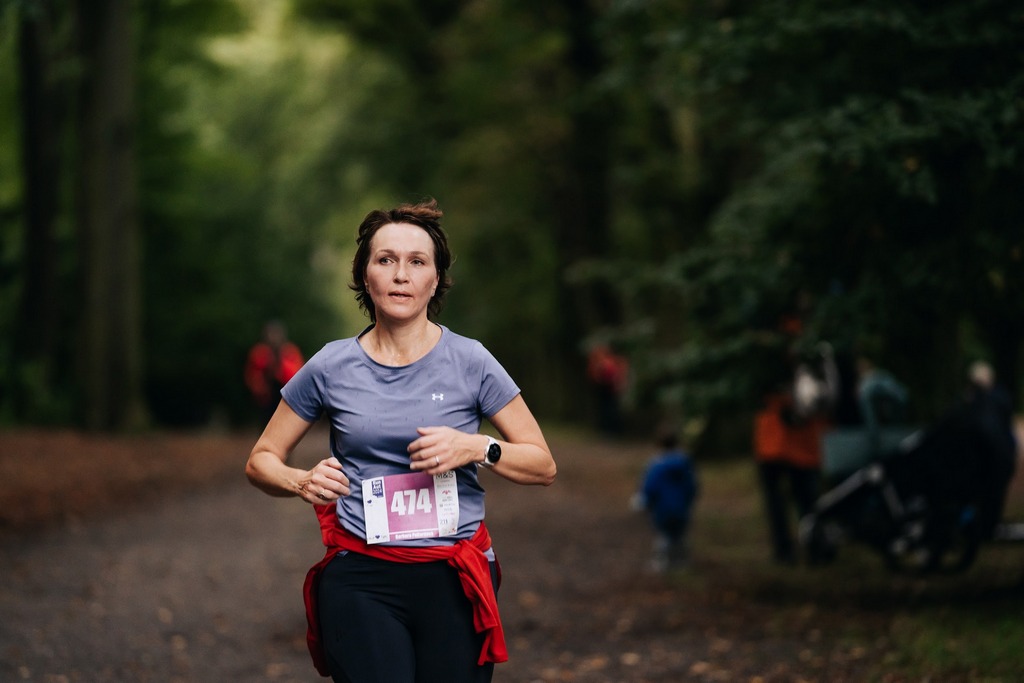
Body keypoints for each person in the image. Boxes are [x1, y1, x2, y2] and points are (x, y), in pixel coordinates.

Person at [245, 198, 556, 683]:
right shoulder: (330, 365)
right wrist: (300, 480)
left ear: (436, 279)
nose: (400, 275)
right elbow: (261, 459)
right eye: (386, 259)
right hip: (361, 574)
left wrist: (477, 447)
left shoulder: (471, 361)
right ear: (364, 275)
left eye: (417, 262)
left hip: (454, 574)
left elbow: (542, 464)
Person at [753, 344, 837, 565]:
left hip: (791, 441)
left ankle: (807, 548)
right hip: (778, 440)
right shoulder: (774, 345)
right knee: (799, 499)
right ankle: (796, 550)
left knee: (804, 499)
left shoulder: (811, 346)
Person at [633, 424, 699, 573]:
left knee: (664, 536)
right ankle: (681, 562)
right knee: (680, 535)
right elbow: (692, 487)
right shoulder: (686, 463)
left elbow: (649, 487)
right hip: (682, 508)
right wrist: (688, 501)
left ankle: (662, 563)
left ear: (659, 444)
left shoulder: (656, 466)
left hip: (662, 509)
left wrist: (644, 502)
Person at [244, 320, 304, 425]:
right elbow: (252, 376)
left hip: (286, 398)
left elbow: (298, 376)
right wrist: (261, 391)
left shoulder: (290, 352)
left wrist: (280, 367)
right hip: (266, 400)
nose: (273, 338)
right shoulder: (259, 353)